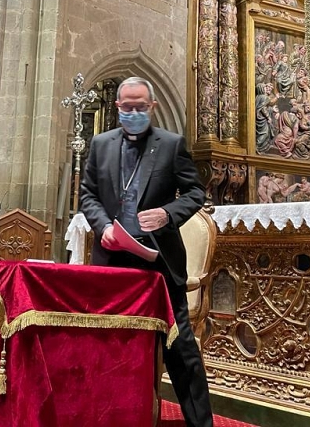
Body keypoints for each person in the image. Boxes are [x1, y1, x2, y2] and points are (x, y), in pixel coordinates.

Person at [80, 76, 213, 427]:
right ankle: (109, 415)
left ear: (152, 107)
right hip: (113, 257)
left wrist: (168, 213)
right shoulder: (100, 144)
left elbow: (195, 193)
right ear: (117, 107)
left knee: (181, 348)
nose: (134, 112)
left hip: (158, 261)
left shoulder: (171, 145)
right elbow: (88, 195)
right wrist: (103, 226)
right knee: (107, 341)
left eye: (140, 107)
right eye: (127, 107)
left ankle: (201, 423)